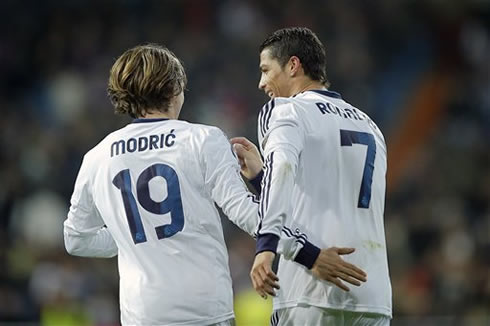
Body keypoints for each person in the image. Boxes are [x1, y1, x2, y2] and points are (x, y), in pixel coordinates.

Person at [63, 44, 367, 325]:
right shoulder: (200, 139)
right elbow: (247, 214)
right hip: (204, 310)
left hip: (142, 313)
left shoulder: (97, 156)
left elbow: (76, 239)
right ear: (173, 88)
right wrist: (309, 254)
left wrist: (129, 235)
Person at [232, 27, 392, 325]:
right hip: (372, 296)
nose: (261, 83)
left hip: (310, 291)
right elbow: (323, 193)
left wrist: (266, 247)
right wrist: (259, 179)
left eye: (266, 70)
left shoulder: (284, 110)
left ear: (293, 65)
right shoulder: (371, 126)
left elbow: (281, 175)